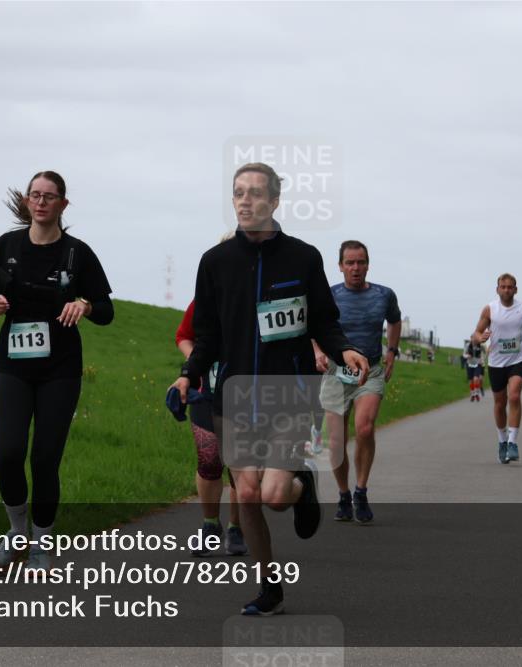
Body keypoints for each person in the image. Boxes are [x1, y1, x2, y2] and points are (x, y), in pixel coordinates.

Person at [168, 162, 369, 616]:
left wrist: (345, 352)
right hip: (234, 396)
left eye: (256, 193)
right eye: (238, 192)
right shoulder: (215, 262)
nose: (245, 200)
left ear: (275, 201)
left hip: (290, 393)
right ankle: (268, 587)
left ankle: (302, 485)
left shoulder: (303, 257)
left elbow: (324, 321)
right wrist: (188, 374)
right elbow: (207, 335)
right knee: (249, 493)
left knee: (275, 495)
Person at [0, 170, 114, 572]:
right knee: (7, 453)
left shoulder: (77, 253)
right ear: (26, 201)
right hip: (12, 364)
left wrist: (85, 306)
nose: (41, 202)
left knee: (44, 459)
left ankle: (42, 539)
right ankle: (16, 531)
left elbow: (106, 311)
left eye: (49, 196)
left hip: (60, 368)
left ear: (62, 204)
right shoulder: (7, 245)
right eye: (35, 195)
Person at [313, 240, 401, 524]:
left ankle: (360, 491)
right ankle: (343, 495)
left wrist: (391, 352)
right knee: (336, 441)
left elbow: (395, 321)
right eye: (349, 262)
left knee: (364, 428)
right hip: (337, 372)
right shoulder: (329, 296)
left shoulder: (384, 295)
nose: (355, 268)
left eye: (360, 262)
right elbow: (312, 325)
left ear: (367, 264)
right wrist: (317, 352)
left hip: (370, 371)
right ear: (340, 266)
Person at [176, 280, 247, 556]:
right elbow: (183, 335)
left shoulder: (256, 300)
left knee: (240, 464)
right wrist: (196, 360)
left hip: (245, 396)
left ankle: (236, 527)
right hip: (207, 393)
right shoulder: (204, 302)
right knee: (208, 460)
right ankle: (209, 525)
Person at [472, 273, 522, 464]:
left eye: (510, 287)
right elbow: (475, 333)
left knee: (515, 396)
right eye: (503, 287)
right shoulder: (490, 310)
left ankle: (512, 442)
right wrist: (480, 337)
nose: (506, 290)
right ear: (497, 289)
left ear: (515, 290)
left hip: (518, 359)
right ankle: (502, 441)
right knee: (500, 404)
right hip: (496, 362)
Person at [463, 336, 485, 402]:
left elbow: (484, 353)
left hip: (477, 364)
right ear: (471, 339)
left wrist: (482, 360)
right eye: (473, 339)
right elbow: (464, 354)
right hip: (469, 364)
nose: (474, 340)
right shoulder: (467, 345)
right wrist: (467, 356)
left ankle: (476, 393)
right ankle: (472, 394)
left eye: (476, 339)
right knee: (471, 381)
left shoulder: (480, 346)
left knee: (476, 379)